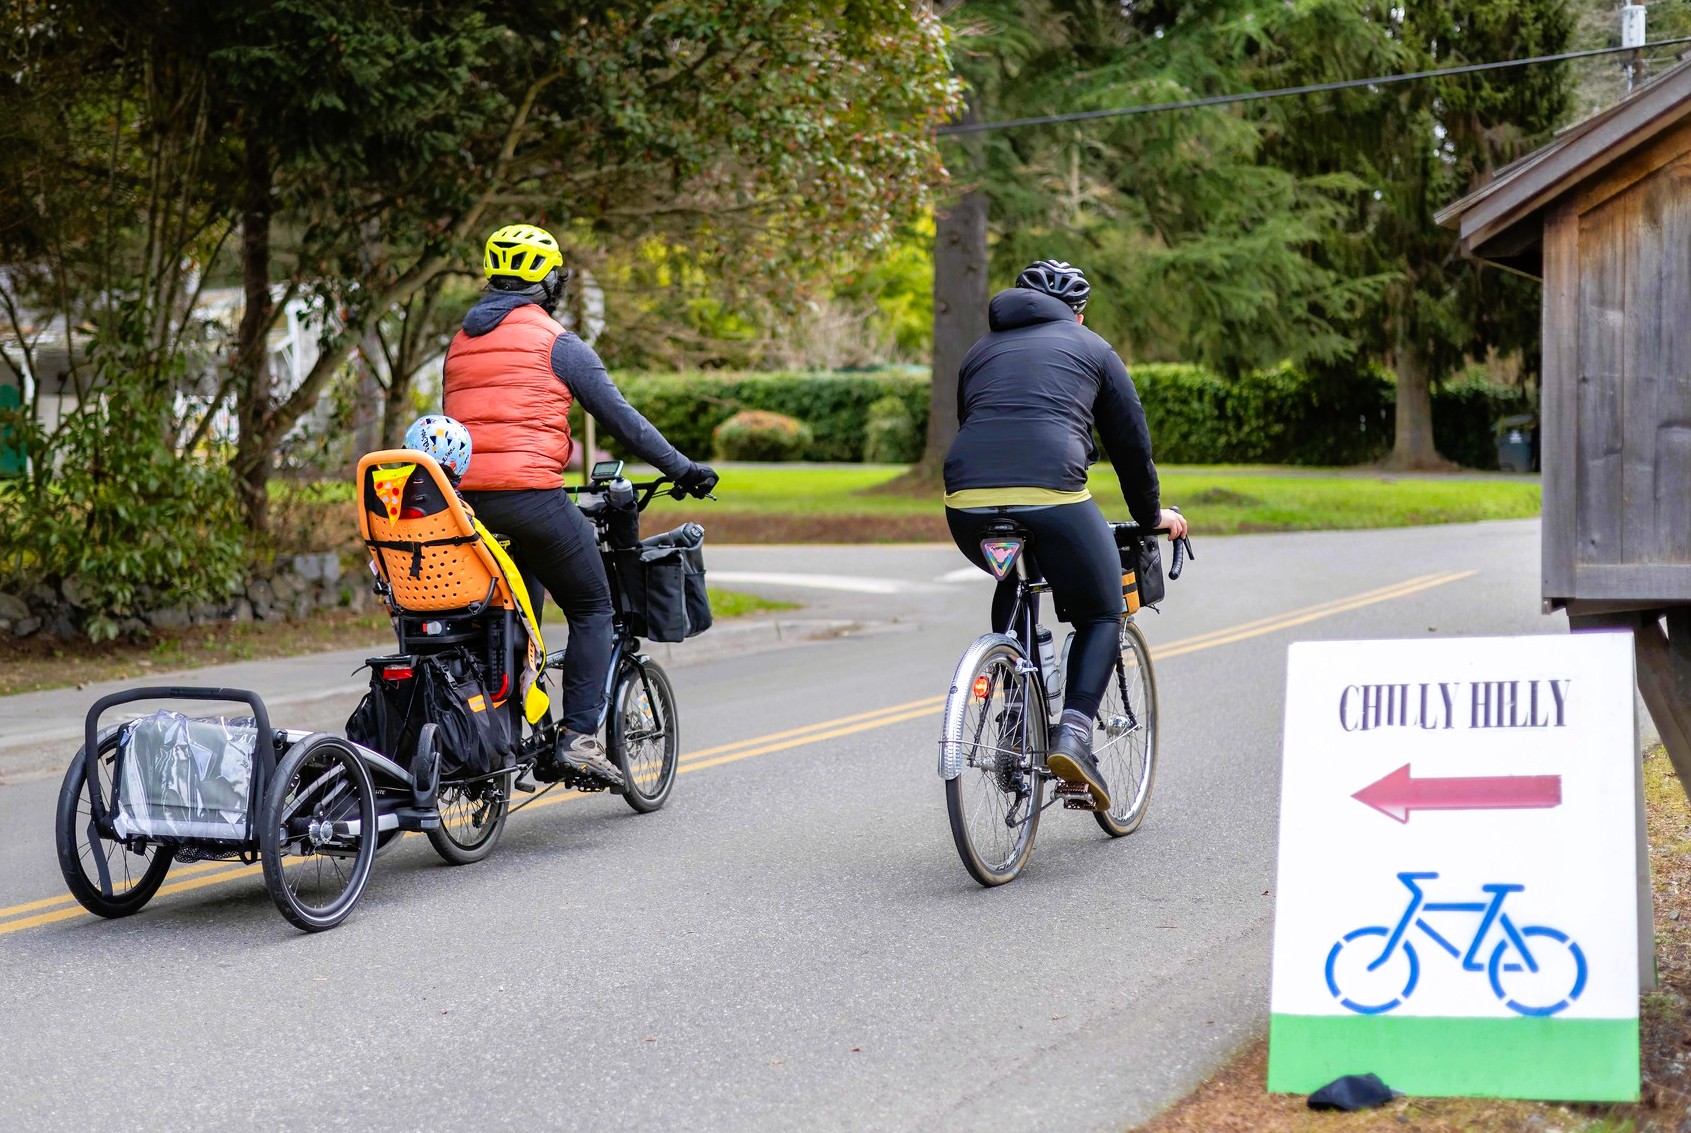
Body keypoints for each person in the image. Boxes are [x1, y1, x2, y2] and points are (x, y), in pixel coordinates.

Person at [441, 223, 718, 788]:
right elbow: (624, 421)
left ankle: (508, 736)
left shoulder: (461, 342)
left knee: (515, 615)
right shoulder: (555, 342)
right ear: (547, 280)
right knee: (594, 609)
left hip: (463, 505)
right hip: (531, 500)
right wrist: (685, 470)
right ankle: (579, 738)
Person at [942, 259, 1188, 811]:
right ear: (1078, 313)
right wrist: (1150, 516)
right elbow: (1131, 448)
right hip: (1052, 495)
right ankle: (1073, 734)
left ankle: (1014, 708)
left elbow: (977, 422)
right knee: (1102, 610)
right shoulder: (1094, 348)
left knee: (1015, 573)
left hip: (967, 504)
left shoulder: (979, 352)